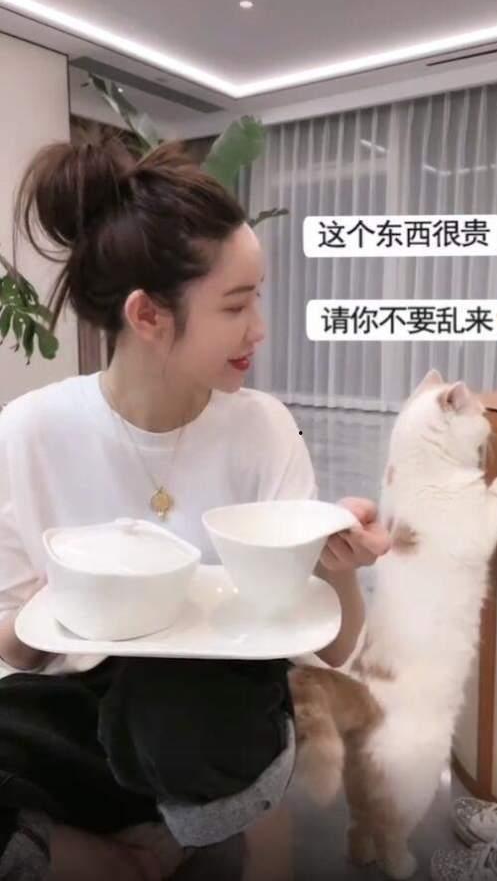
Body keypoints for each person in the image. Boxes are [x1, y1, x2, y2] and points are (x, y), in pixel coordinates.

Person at [0, 134, 391, 881]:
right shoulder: (29, 432)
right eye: (236, 305)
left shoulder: (263, 427)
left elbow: (337, 650)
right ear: (148, 315)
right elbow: (16, 651)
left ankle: (177, 834)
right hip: (78, 712)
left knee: (181, 716)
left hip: (217, 718)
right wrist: (65, 604)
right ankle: (116, 856)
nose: (260, 328)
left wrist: (336, 564)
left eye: (257, 298)